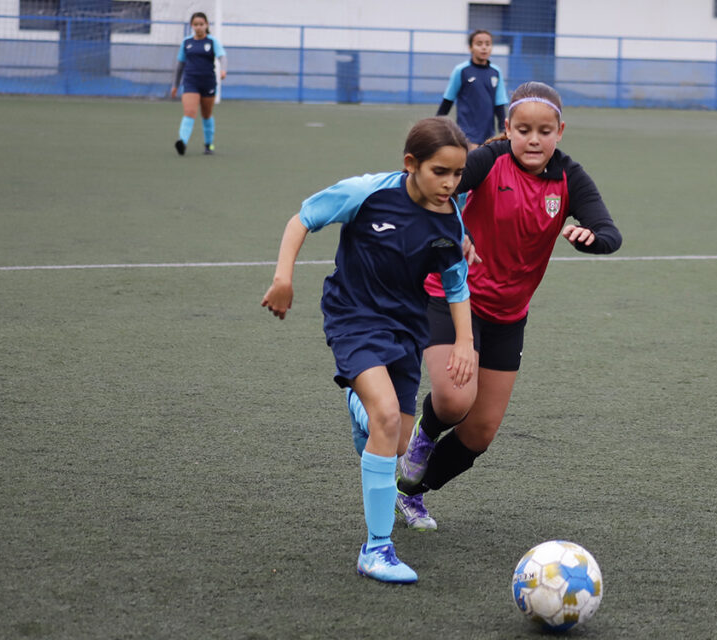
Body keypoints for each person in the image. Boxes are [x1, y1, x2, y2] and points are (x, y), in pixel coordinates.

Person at [395, 82, 622, 530]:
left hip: (509, 315)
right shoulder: (488, 160)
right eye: (523, 130)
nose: (533, 139)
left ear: (560, 131)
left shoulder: (569, 177)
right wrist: (454, 231)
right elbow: (428, 188)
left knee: (480, 432)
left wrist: (590, 238)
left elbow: (609, 231)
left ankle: (410, 493)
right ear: (508, 129)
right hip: (454, 296)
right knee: (455, 398)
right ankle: (422, 435)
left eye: (543, 130)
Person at [260, 117, 476, 583]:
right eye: (440, 172)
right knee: (384, 418)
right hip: (353, 317)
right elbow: (302, 220)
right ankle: (377, 548)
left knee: (397, 440)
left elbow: (456, 286)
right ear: (410, 164)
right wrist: (283, 278)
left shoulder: (448, 217)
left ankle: (359, 406)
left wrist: (464, 342)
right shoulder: (367, 192)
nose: (450, 184)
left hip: (406, 329)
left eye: (457, 175)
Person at [436, 29, 509, 151]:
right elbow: (448, 100)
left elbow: (499, 103)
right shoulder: (461, 70)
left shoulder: (496, 72)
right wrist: (436, 124)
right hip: (466, 134)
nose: (484, 48)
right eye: (479, 44)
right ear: (470, 47)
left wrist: (503, 129)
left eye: (487, 44)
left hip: (488, 134)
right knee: (470, 163)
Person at [170, 12, 227, 156]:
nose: (199, 27)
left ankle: (209, 144)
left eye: (201, 24)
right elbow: (179, 65)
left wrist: (223, 70)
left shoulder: (212, 42)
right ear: (192, 26)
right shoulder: (187, 42)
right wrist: (175, 85)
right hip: (190, 82)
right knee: (189, 112)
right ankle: (182, 142)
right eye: (196, 24)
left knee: (207, 114)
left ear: (206, 25)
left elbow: (222, 57)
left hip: (208, 82)